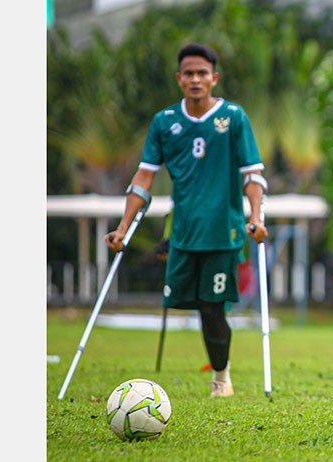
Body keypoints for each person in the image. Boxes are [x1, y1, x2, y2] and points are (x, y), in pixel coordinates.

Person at [105, 43, 268, 398]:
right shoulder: (164, 122)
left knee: (212, 307)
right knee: (184, 304)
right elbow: (144, 177)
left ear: (214, 78)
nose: (196, 79)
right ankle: (217, 371)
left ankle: (221, 378)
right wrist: (122, 227)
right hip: (183, 233)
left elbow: (252, 174)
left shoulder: (233, 118)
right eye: (189, 73)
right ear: (179, 79)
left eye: (202, 73)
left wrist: (256, 217)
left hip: (223, 231)